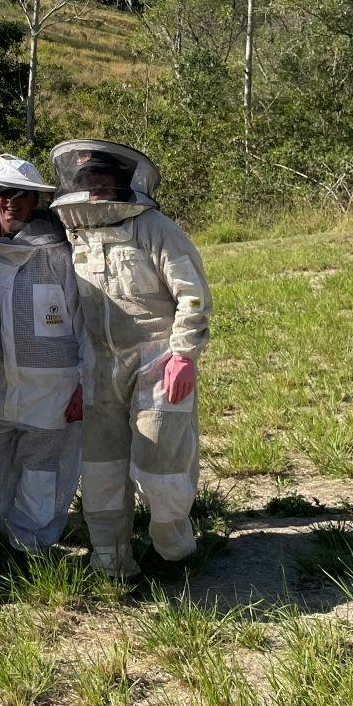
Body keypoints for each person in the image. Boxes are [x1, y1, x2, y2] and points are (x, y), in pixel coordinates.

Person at [50, 139, 212, 582]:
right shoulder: (74, 233)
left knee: (161, 463)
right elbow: (76, 312)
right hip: (99, 365)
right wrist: (80, 376)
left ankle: (174, 548)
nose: (96, 189)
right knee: (100, 470)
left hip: (158, 359)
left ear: (124, 183)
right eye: (88, 181)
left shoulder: (155, 227)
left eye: (105, 180)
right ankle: (111, 561)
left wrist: (184, 355)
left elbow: (192, 294)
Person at [0, 155, 88, 555]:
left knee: (42, 469)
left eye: (21, 195)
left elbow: (84, 322)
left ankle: (31, 547)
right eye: (2, 194)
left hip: (51, 389)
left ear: (36, 201)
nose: (10, 202)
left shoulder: (59, 254)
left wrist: (84, 382)